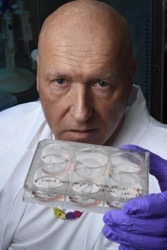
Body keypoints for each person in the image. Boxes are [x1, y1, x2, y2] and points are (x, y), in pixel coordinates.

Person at [0, 0, 167, 249]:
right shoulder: (5, 133)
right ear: (37, 77)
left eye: (101, 83)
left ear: (129, 75)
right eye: (60, 81)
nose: (81, 113)